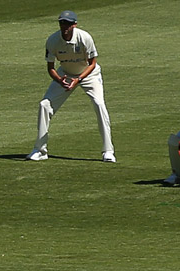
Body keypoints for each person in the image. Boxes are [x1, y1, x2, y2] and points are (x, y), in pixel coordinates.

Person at [27, 10, 115, 163]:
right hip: (65, 74)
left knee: (99, 104)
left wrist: (79, 79)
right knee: (44, 105)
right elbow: (51, 67)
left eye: (67, 23)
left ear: (74, 24)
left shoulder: (84, 37)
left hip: (89, 75)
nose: (64, 26)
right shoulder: (53, 40)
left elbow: (92, 63)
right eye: (62, 23)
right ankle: (40, 150)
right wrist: (60, 80)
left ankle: (108, 151)